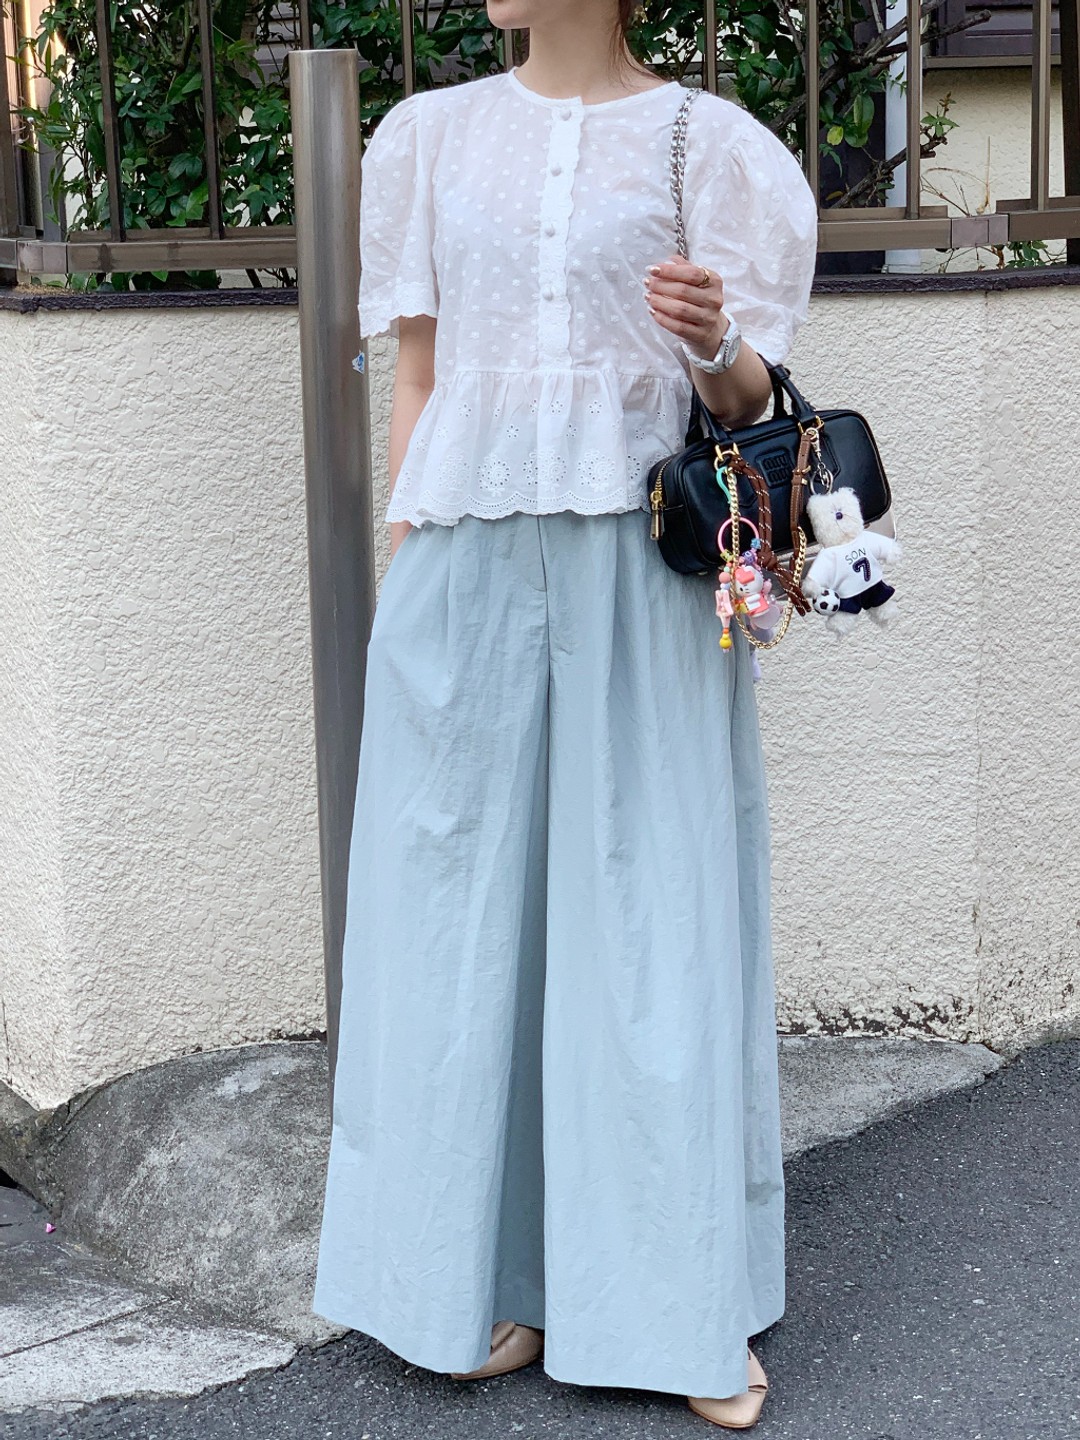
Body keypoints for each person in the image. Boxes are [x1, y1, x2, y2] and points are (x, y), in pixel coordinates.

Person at [312, 0, 819, 1430]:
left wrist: (715, 340)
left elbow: (752, 400)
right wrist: (406, 577)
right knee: (454, 917)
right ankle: (474, 1274)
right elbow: (419, 376)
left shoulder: (715, 147)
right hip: (464, 564)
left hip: (640, 568)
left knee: (647, 916)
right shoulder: (429, 136)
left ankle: (676, 1302)